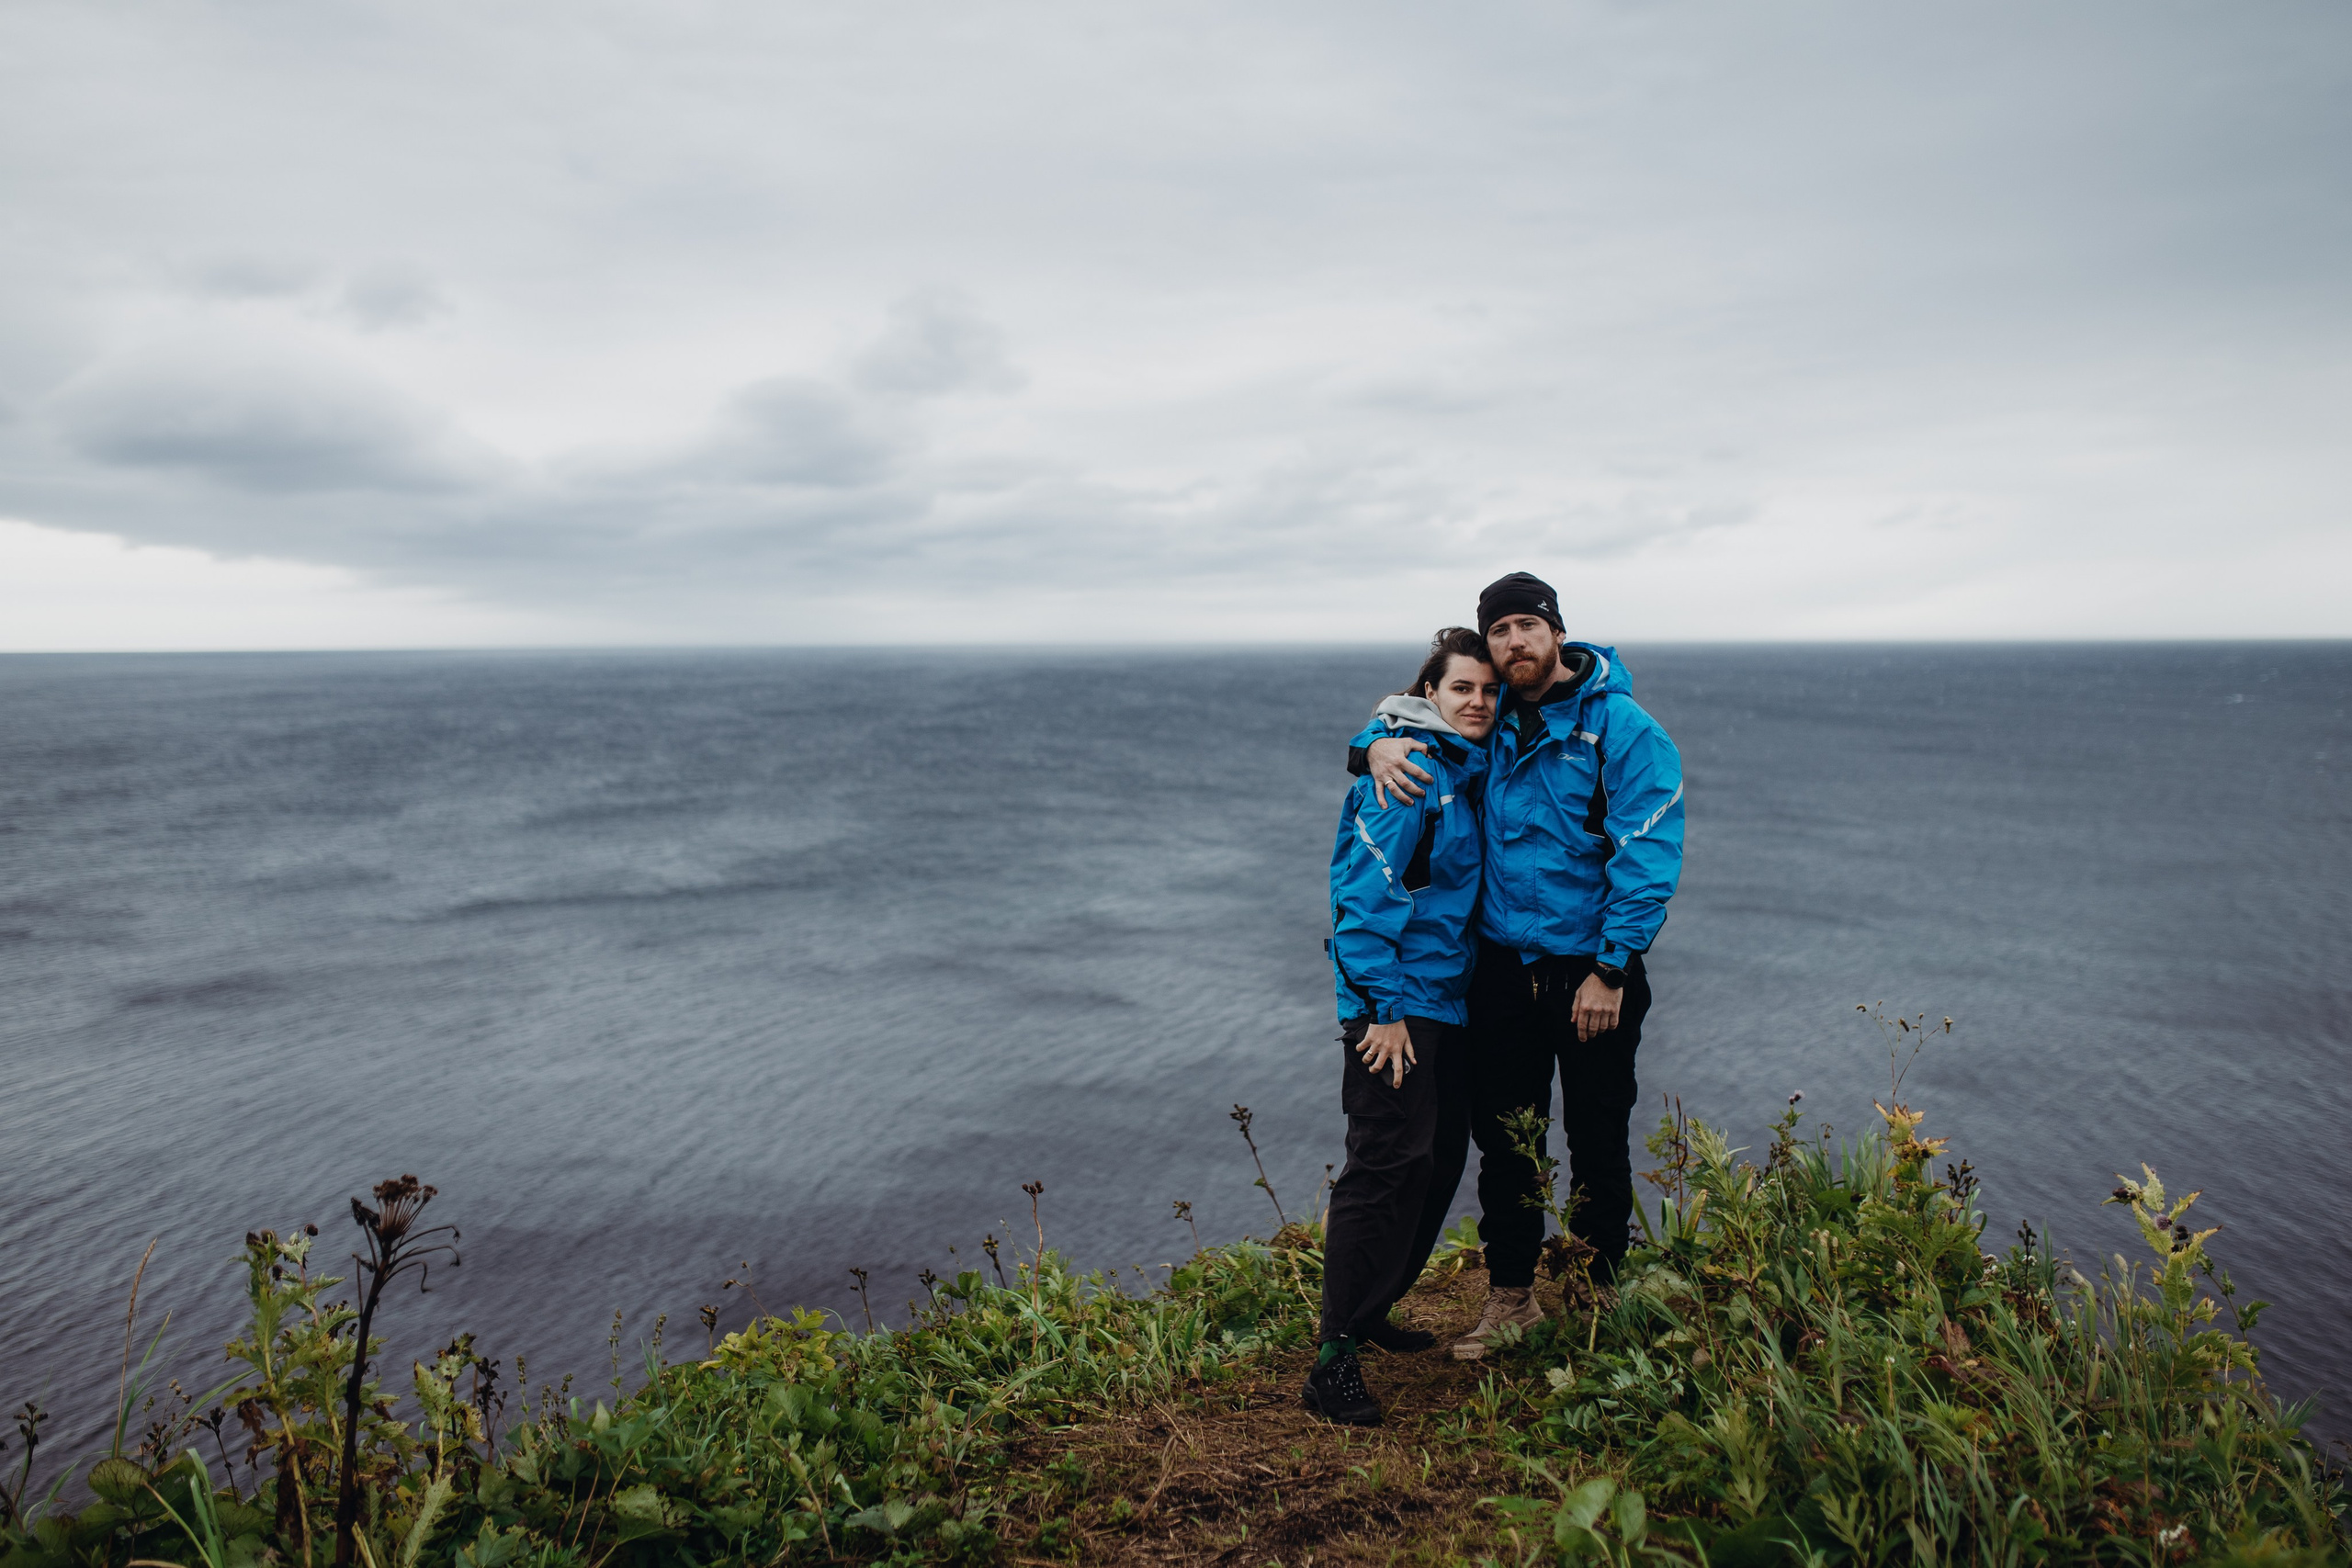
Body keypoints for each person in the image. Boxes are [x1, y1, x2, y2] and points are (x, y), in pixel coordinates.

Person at [1355, 570, 1684, 1360]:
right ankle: (1511, 1297)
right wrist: (1371, 747)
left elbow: (1649, 852)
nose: (1512, 642)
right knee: (1506, 1140)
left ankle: (1598, 1296)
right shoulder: (1491, 715)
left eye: (1525, 626)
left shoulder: (1623, 727)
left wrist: (1612, 967)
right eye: (1498, 630)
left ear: (1556, 632)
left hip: (1592, 974)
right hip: (1502, 970)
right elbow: (1415, 719)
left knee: (1597, 1135)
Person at [1303, 628, 1500, 1427]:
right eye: (1462, 688)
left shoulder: (1461, 764)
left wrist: (1369, 740)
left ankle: (1370, 1309)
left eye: (1489, 689)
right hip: (1396, 1007)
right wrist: (1381, 1012)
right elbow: (1362, 901)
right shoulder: (1412, 774)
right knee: (1383, 1165)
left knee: (1433, 1162)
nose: (1479, 701)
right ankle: (1331, 1360)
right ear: (1430, 695)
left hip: (1444, 999)